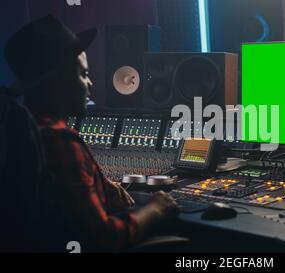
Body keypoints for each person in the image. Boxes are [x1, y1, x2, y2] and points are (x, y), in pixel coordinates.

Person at [3, 15, 179, 252]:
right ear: (56, 81)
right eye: (83, 74)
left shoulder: (27, 131)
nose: (91, 83)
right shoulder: (60, 140)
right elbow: (102, 238)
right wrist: (156, 209)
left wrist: (103, 185)